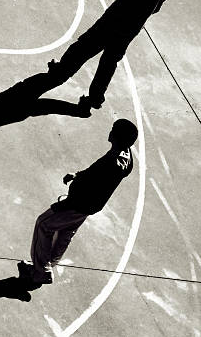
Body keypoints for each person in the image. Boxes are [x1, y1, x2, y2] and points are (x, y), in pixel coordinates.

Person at [47, 0, 176, 111]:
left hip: (111, 26)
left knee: (81, 48)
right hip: (128, 33)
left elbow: (120, 6)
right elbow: (155, 9)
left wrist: (103, 22)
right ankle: (95, 97)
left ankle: (60, 71)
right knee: (107, 65)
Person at [19, 119, 138, 285]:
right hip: (89, 206)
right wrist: (77, 175)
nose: (110, 132)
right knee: (65, 233)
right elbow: (95, 173)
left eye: (113, 130)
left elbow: (94, 181)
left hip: (78, 204)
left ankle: (42, 271)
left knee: (43, 224)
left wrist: (66, 204)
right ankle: (46, 266)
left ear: (118, 137)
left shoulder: (112, 162)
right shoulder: (125, 158)